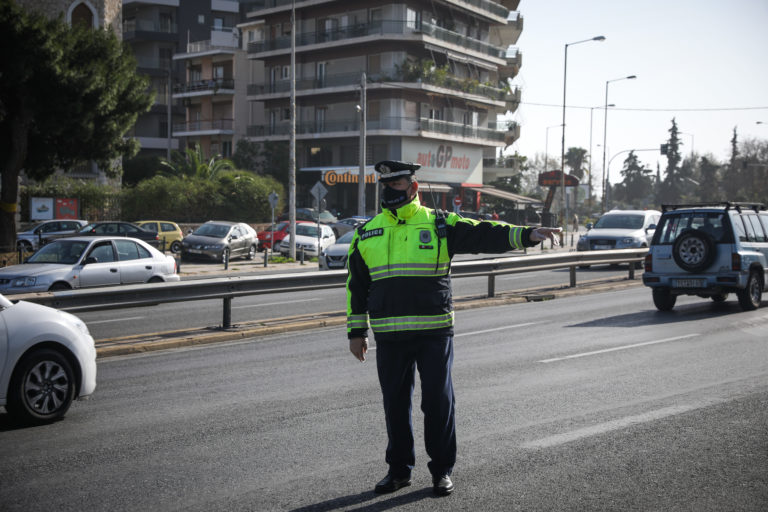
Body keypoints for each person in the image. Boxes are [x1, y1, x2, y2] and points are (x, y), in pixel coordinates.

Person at [345, 160, 561, 497]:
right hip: (390, 336)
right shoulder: (367, 232)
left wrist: (526, 235)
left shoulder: (440, 223)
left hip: (434, 332)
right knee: (395, 405)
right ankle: (399, 471)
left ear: (413, 187)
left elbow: (484, 232)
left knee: (438, 403)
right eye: (385, 185)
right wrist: (356, 333)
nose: (390, 190)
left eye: (397, 184)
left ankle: (441, 471)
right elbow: (356, 287)